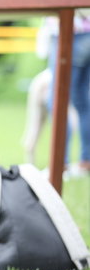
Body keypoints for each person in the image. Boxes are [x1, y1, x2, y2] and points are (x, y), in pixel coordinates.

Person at [45, 16, 90, 172]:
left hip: (69, 32)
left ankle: (61, 164)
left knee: (56, 101)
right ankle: (87, 160)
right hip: (87, 33)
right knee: (83, 101)